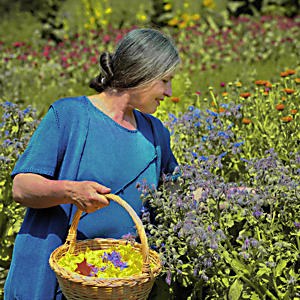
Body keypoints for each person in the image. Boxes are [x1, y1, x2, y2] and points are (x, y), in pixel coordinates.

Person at [4, 28, 181, 300]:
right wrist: (69, 191)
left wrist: (238, 196)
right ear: (142, 74)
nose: (169, 92)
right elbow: (21, 187)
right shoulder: (69, 116)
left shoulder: (156, 134)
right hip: (56, 283)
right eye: (165, 80)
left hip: (120, 286)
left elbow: (178, 194)